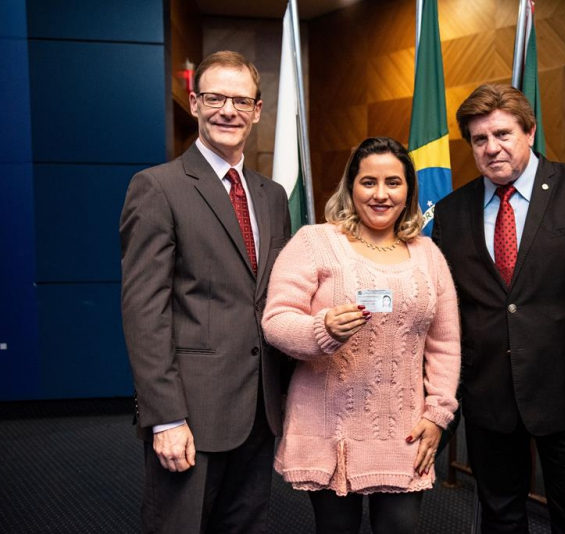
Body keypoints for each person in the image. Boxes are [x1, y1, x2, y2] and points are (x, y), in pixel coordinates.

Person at [432, 84, 565, 533]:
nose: (491, 148)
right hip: (488, 397)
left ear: (529, 131)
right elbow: (449, 308)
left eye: (502, 134)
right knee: (500, 517)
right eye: (479, 139)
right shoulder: (451, 211)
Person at [120, 50, 291, 533]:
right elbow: (144, 312)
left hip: (260, 409)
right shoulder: (157, 187)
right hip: (191, 413)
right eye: (215, 98)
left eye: (241, 101)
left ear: (257, 110)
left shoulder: (272, 196)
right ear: (194, 103)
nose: (228, 111)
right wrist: (165, 417)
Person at [262, 137, 460, 534]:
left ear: (409, 191)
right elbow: (276, 321)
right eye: (369, 182)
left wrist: (438, 414)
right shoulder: (315, 242)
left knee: (400, 528)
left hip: (403, 430)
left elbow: (445, 344)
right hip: (330, 428)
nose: (380, 194)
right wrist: (322, 329)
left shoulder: (428, 254)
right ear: (351, 187)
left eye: (393, 182)